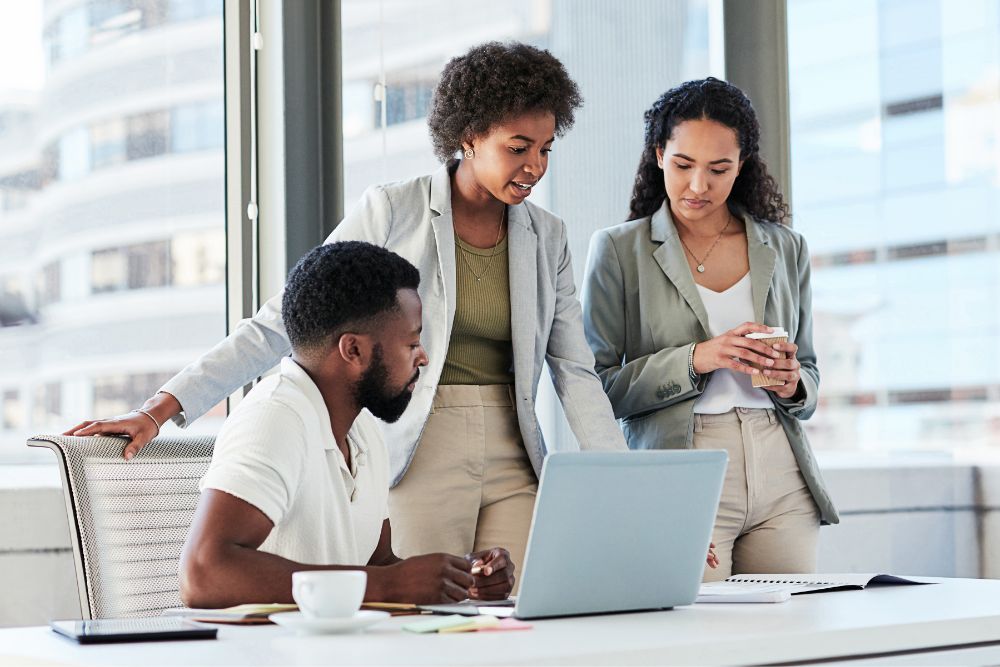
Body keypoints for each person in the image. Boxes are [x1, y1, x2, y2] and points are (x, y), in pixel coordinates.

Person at [66, 42, 627, 575]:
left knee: (516, 619)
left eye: (546, 149)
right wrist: (162, 408)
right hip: (417, 445)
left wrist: (623, 485)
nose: (535, 166)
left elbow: (574, 371)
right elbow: (289, 317)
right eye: (518, 147)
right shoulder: (393, 209)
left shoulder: (547, 236)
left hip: (515, 452)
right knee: (425, 618)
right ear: (471, 136)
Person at [581, 78, 838, 582]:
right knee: (694, 636)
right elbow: (596, 389)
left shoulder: (786, 247)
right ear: (658, 155)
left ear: (741, 165)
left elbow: (808, 376)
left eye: (719, 169)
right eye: (683, 165)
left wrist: (792, 382)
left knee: (786, 641)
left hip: (782, 469)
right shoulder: (617, 251)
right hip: (683, 467)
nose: (699, 186)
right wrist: (701, 357)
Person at [180, 241, 513, 608]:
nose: (423, 356)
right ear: (353, 350)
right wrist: (387, 585)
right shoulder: (275, 416)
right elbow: (202, 573)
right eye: (412, 342)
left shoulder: (363, 430)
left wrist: (461, 579)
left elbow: (379, 566)